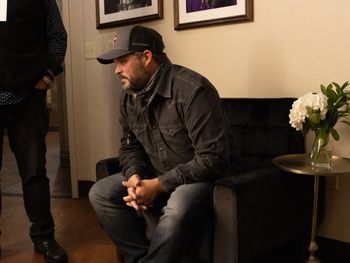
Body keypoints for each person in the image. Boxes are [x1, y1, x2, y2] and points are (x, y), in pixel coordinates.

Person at [89, 25, 231, 263]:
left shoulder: (193, 90)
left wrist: (158, 185)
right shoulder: (129, 97)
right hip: (156, 173)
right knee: (100, 192)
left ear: (146, 57)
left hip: (201, 180)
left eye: (122, 61)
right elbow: (130, 147)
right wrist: (134, 177)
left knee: (178, 203)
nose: (116, 70)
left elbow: (212, 158)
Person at [0, 0, 68, 262]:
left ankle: (44, 237)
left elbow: (57, 36)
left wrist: (48, 77)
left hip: (27, 96)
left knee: (34, 171)